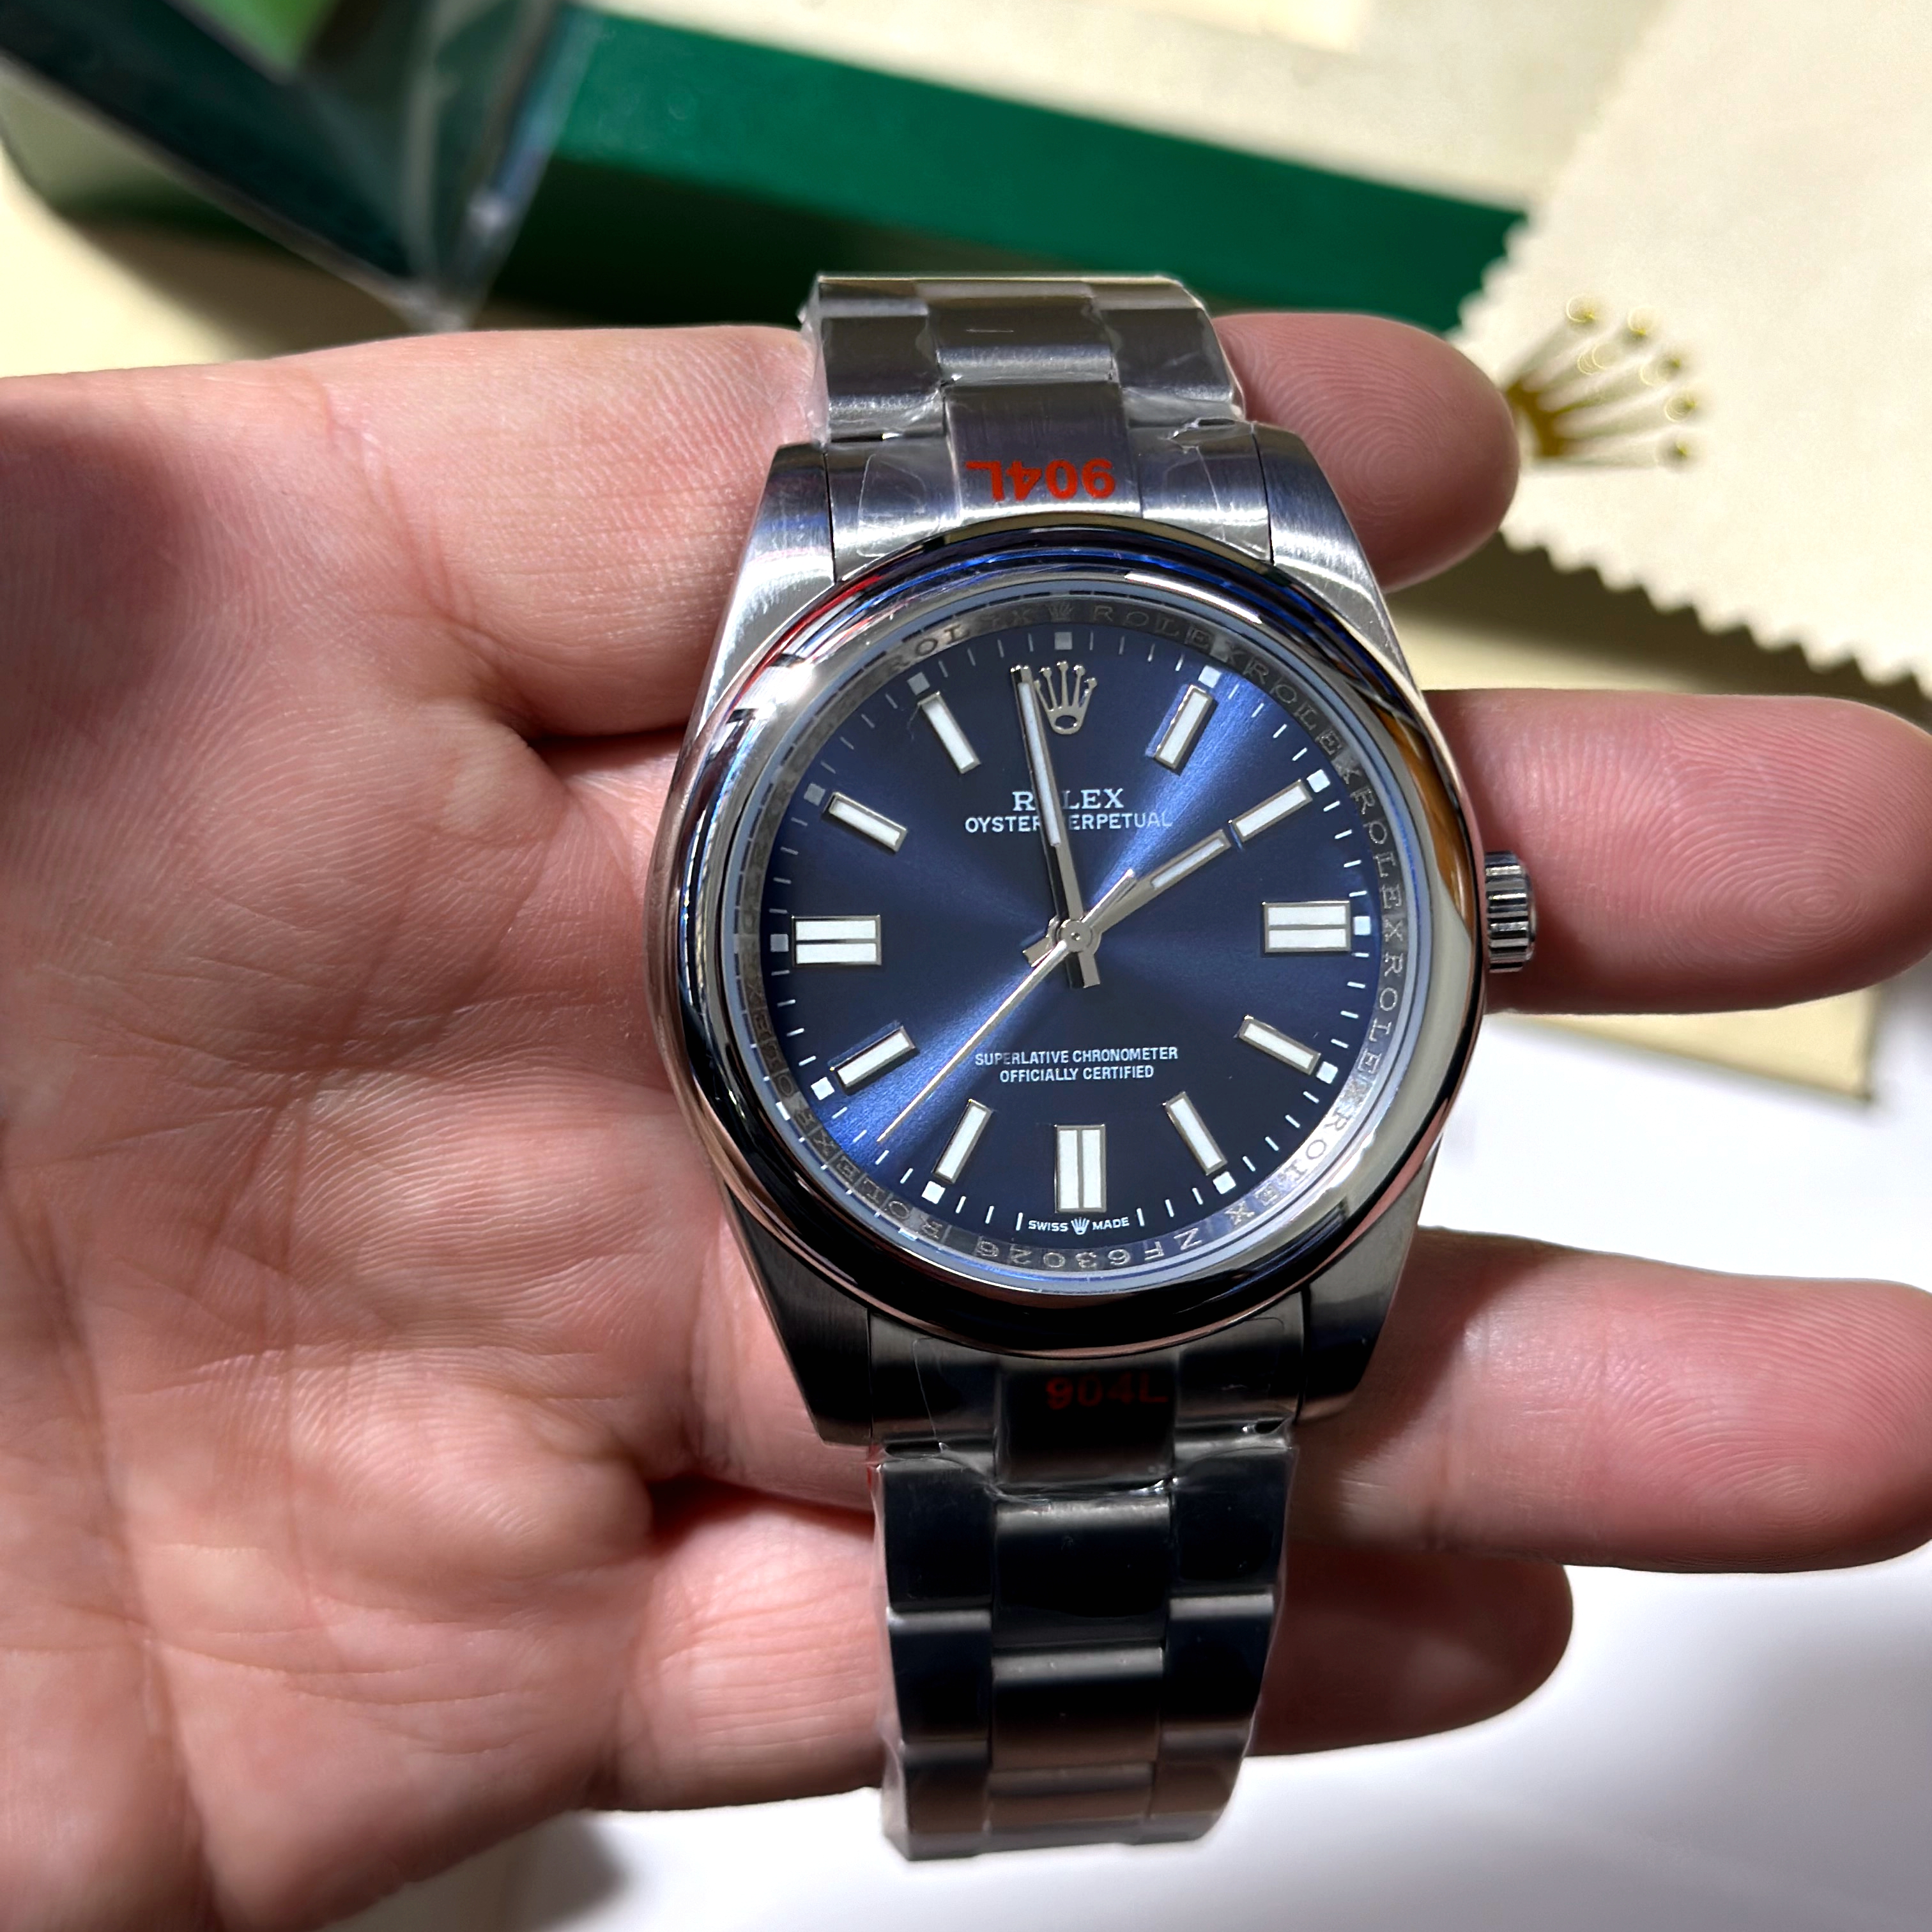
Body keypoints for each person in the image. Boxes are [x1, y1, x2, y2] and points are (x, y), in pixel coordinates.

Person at [1, 312, 1928, 1929]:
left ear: (1470, 925)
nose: (1079, 946)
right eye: (1076, 936)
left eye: (1096, 932)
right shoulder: (830, 705)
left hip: (1157, 1224)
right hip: (977, 1218)